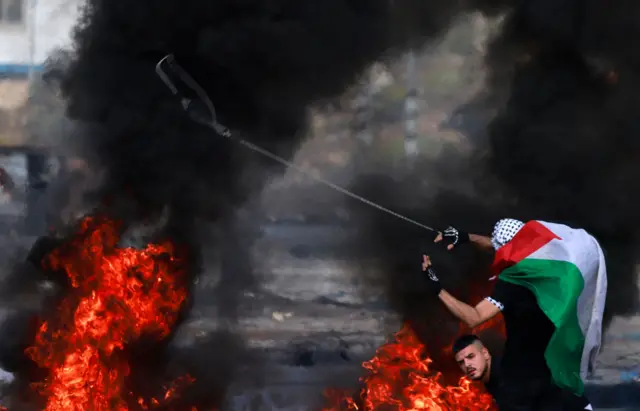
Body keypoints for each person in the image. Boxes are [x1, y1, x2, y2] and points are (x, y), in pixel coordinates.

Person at [423, 218, 604, 411]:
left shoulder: (513, 283)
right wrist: (466, 237)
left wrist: (436, 288)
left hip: (526, 382)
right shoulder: (549, 265)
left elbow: (473, 317)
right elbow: (500, 244)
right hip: (559, 378)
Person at [452, 334, 593, 410]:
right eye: (461, 362)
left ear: (485, 353)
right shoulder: (493, 376)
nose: (467, 364)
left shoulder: (509, 374)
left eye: (471, 357)